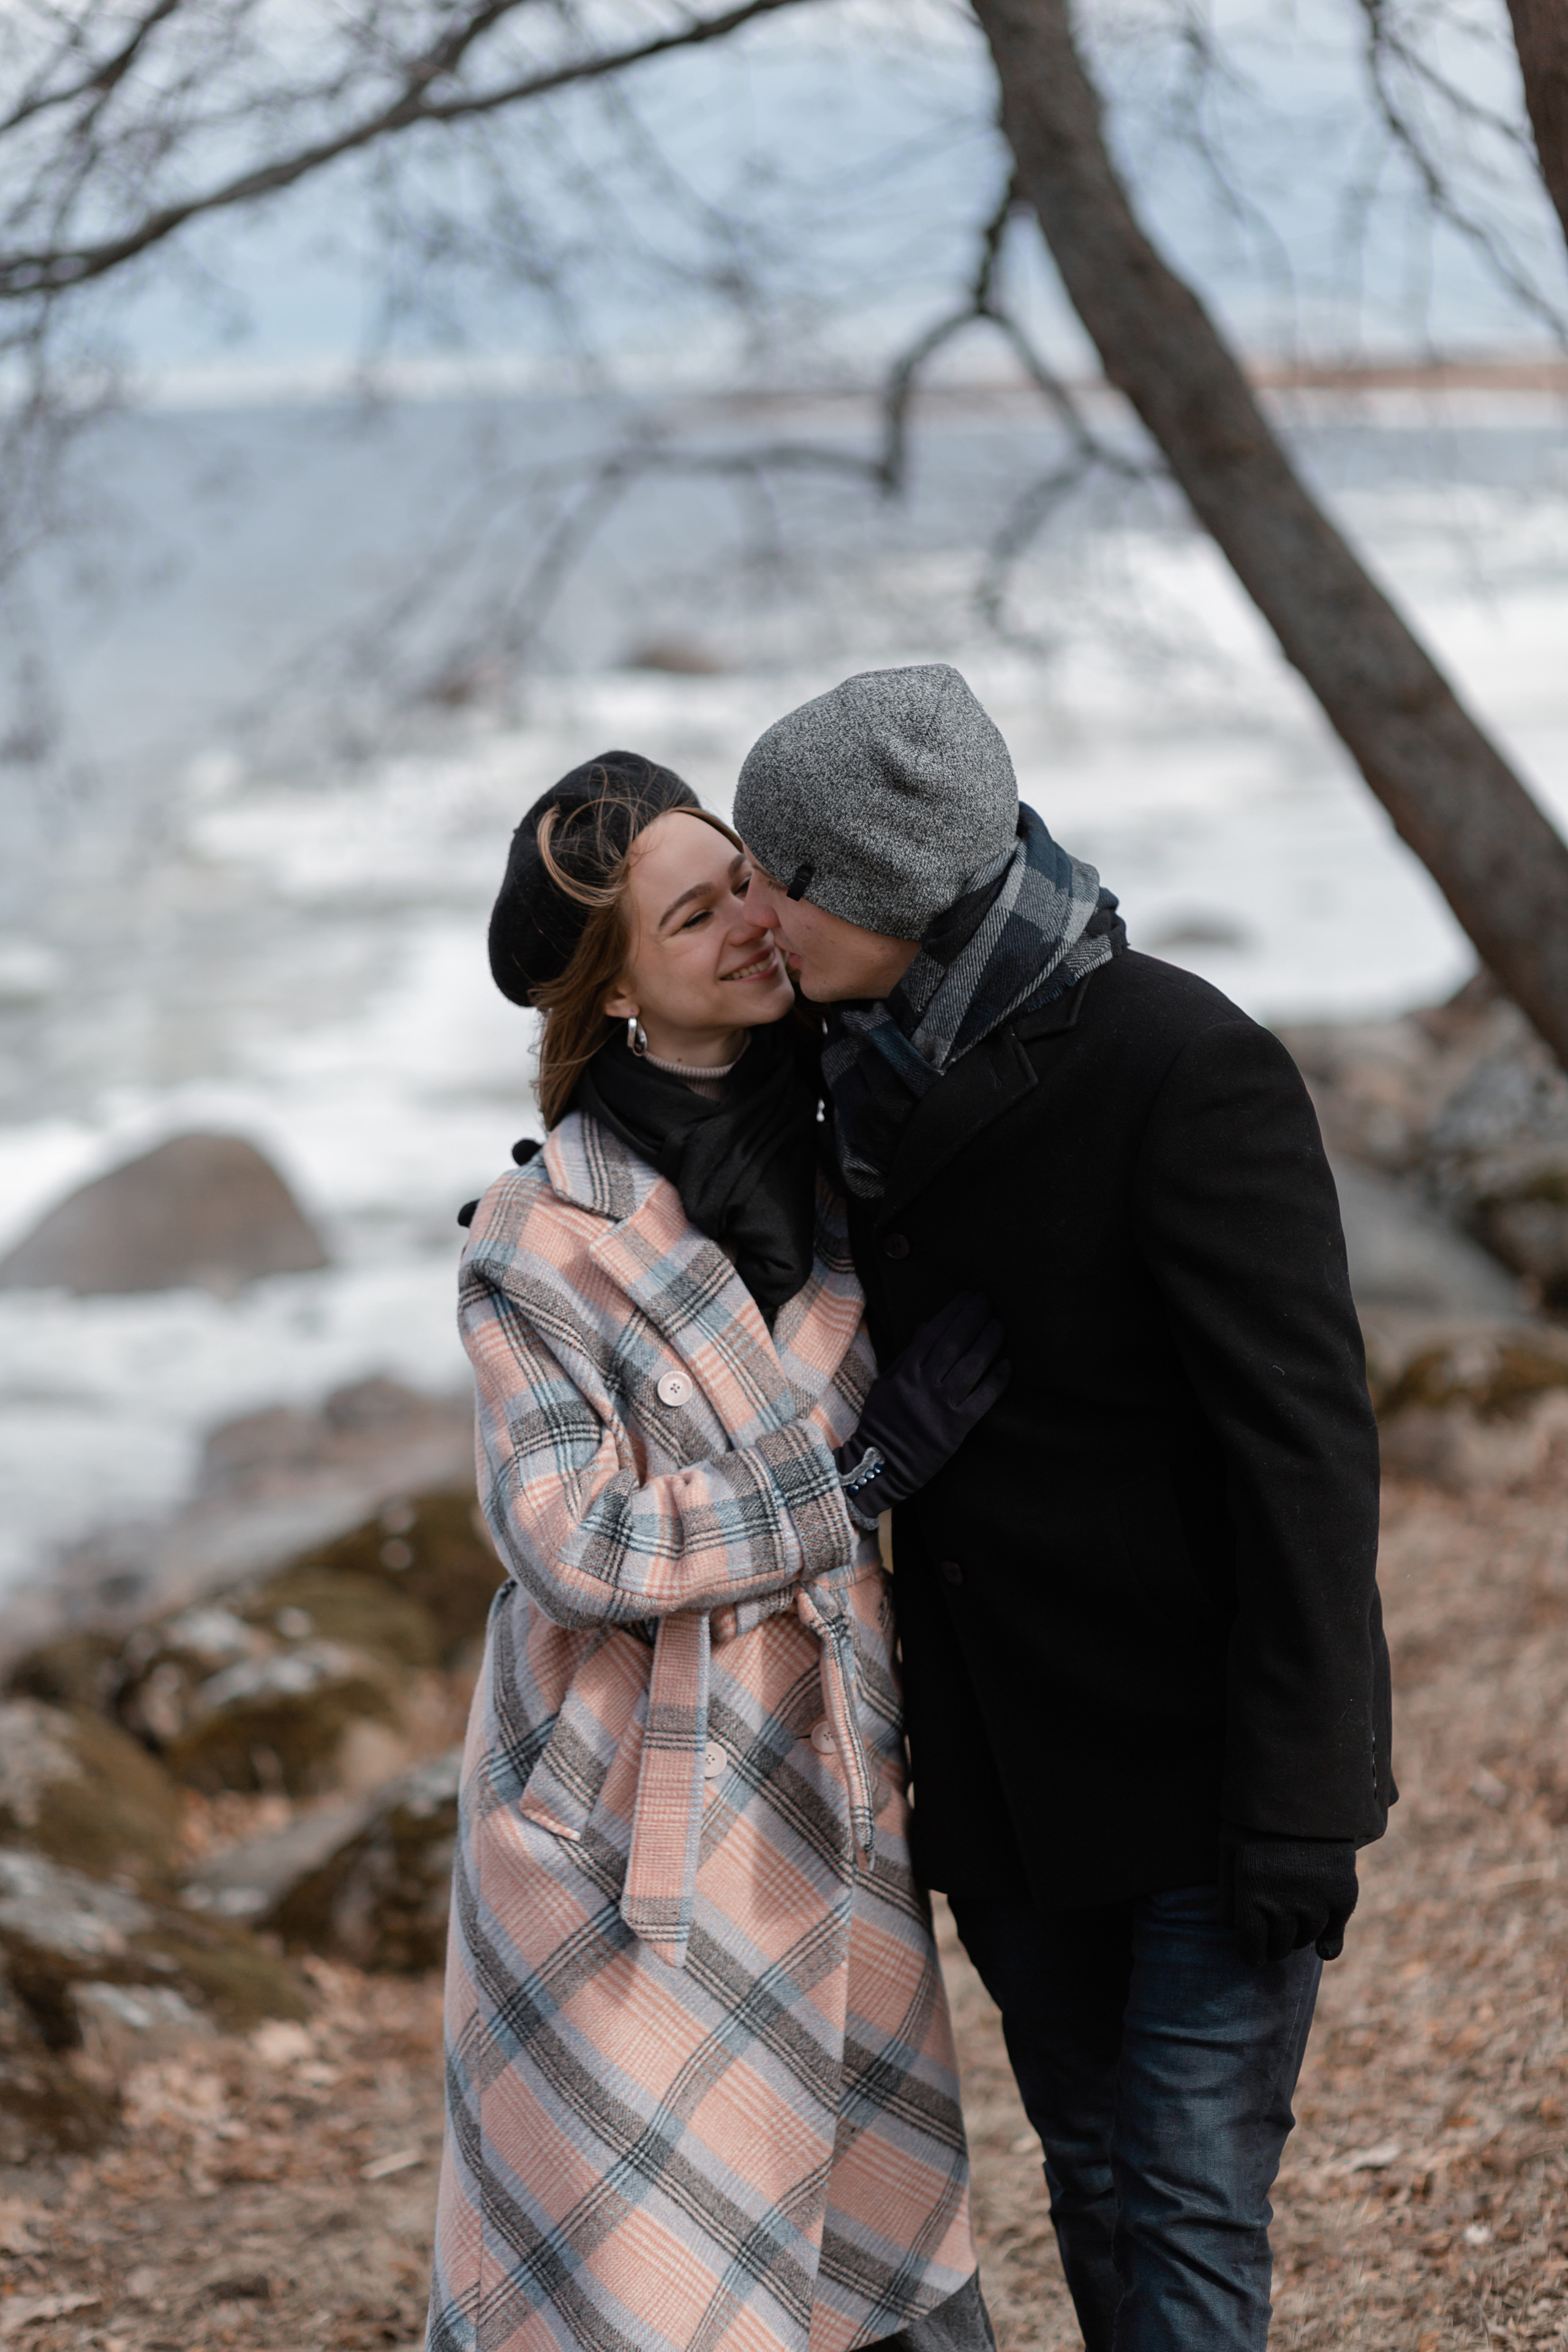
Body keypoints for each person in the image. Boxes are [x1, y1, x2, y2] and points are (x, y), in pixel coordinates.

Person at [735, 664, 1393, 2352]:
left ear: (873, 890)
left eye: (772, 874)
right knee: (1096, 2179)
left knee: (1182, 2200)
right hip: (1012, 1788)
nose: (754, 910)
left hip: (1201, 1772)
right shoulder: (836, 1081)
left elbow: (1306, 1450)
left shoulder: (1183, 1064)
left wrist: (1311, 1798)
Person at [427, 750, 1010, 2352]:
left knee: (875, 2259)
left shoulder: (850, 1151)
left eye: (747, 880)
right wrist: (855, 1475)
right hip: (623, 1825)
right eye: (700, 915)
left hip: (822, 1790)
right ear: (613, 989)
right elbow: (570, 1538)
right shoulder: (529, 1241)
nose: (759, 921)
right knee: (641, 2287)